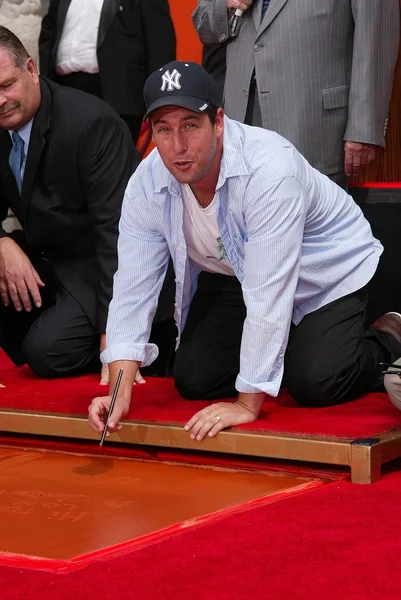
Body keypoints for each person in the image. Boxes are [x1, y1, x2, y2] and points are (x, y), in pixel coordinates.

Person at [88, 60, 401, 442]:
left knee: (316, 382)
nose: (178, 146)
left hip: (325, 271)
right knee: (195, 379)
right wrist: (118, 392)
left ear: (218, 122)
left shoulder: (269, 171)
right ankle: (286, 350)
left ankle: (388, 334)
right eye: (163, 130)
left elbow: (268, 293)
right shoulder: (147, 181)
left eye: (190, 125)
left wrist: (247, 403)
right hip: (236, 271)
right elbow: (133, 287)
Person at [0, 26, 138, 385]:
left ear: (31, 69)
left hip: (98, 267)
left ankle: (147, 342)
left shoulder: (92, 124)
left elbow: (117, 236)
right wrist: (2, 242)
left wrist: (116, 336)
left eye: (6, 85)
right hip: (47, 264)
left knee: (46, 352)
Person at [192, 0, 399, 186]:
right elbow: (204, 24)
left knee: (311, 225)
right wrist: (227, 5)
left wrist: (363, 129)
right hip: (240, 121)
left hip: (312, 125)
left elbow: (375, 37)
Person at [38, 0, 176, 144]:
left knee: (113, 161)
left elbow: (160, 43)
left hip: (117, 95)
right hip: (63, 92)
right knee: (65, 162)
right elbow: (48, 33)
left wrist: (159, 99)